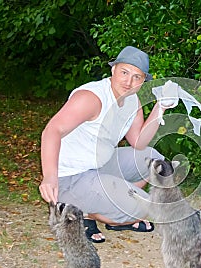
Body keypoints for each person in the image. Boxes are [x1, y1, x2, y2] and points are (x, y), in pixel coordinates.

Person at [39, 46, 166, 243]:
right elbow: (52, 130)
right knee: (143, 207)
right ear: (113, 70)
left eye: (137, 77)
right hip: (71, 176)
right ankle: (79, 211)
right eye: (124, 72)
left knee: (155, 162)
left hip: (100, 166)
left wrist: (161, 106)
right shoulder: (92, 98)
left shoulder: (132, 101)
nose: (129, 81)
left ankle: (115, 210)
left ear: (143, 81)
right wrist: (49, 176)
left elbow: (138, 142)